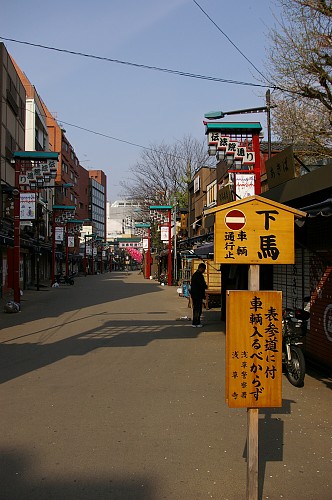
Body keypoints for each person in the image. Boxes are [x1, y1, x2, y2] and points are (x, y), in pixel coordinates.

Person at [190, 263, 207, 328]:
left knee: (196, 309)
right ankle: (197, 322)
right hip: (198, 294)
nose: (204, 271)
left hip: (194, 294)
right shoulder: (199, 275)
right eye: (204, 269)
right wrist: (205, 286)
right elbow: (202, 285)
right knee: (198, 309)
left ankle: (195, 322)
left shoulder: (195, 275)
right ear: (201, 268)